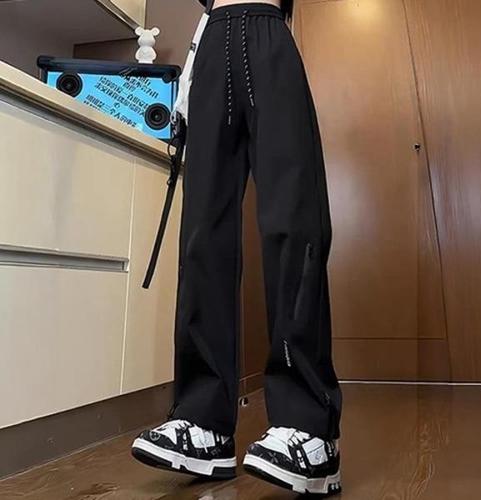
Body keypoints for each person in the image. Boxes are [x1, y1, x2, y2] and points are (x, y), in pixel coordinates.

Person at [131, 0, 342, 495]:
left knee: (293, 224)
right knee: (203, 235)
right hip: (212, 43)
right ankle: (204, 423)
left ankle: (311, 427)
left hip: (268, 32)